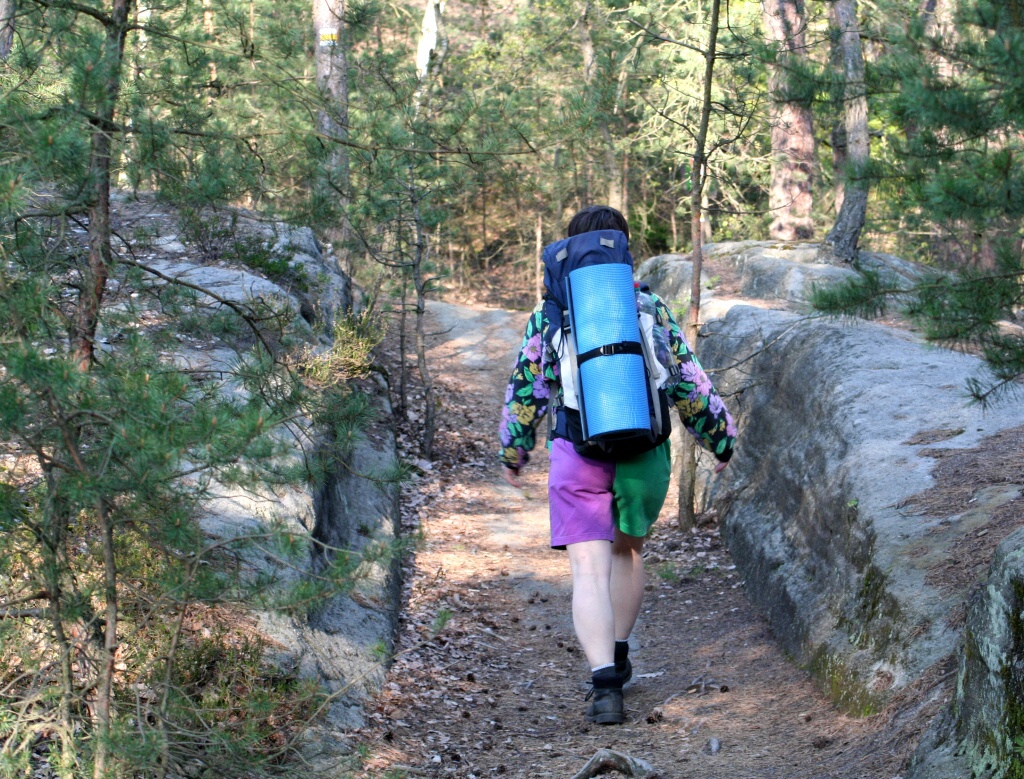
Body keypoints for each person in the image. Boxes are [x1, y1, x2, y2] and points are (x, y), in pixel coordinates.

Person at [497, 205, 737, 725]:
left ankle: (604, 686)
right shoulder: (646, 306)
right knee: (626, 554)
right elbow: (687, 381)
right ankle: (621, 650)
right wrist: (719, 440)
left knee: (587, 568)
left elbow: (525, 391)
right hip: (643, 452)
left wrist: (514, 449)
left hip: (575, 451)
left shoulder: (550, 314)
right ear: (624, 250)